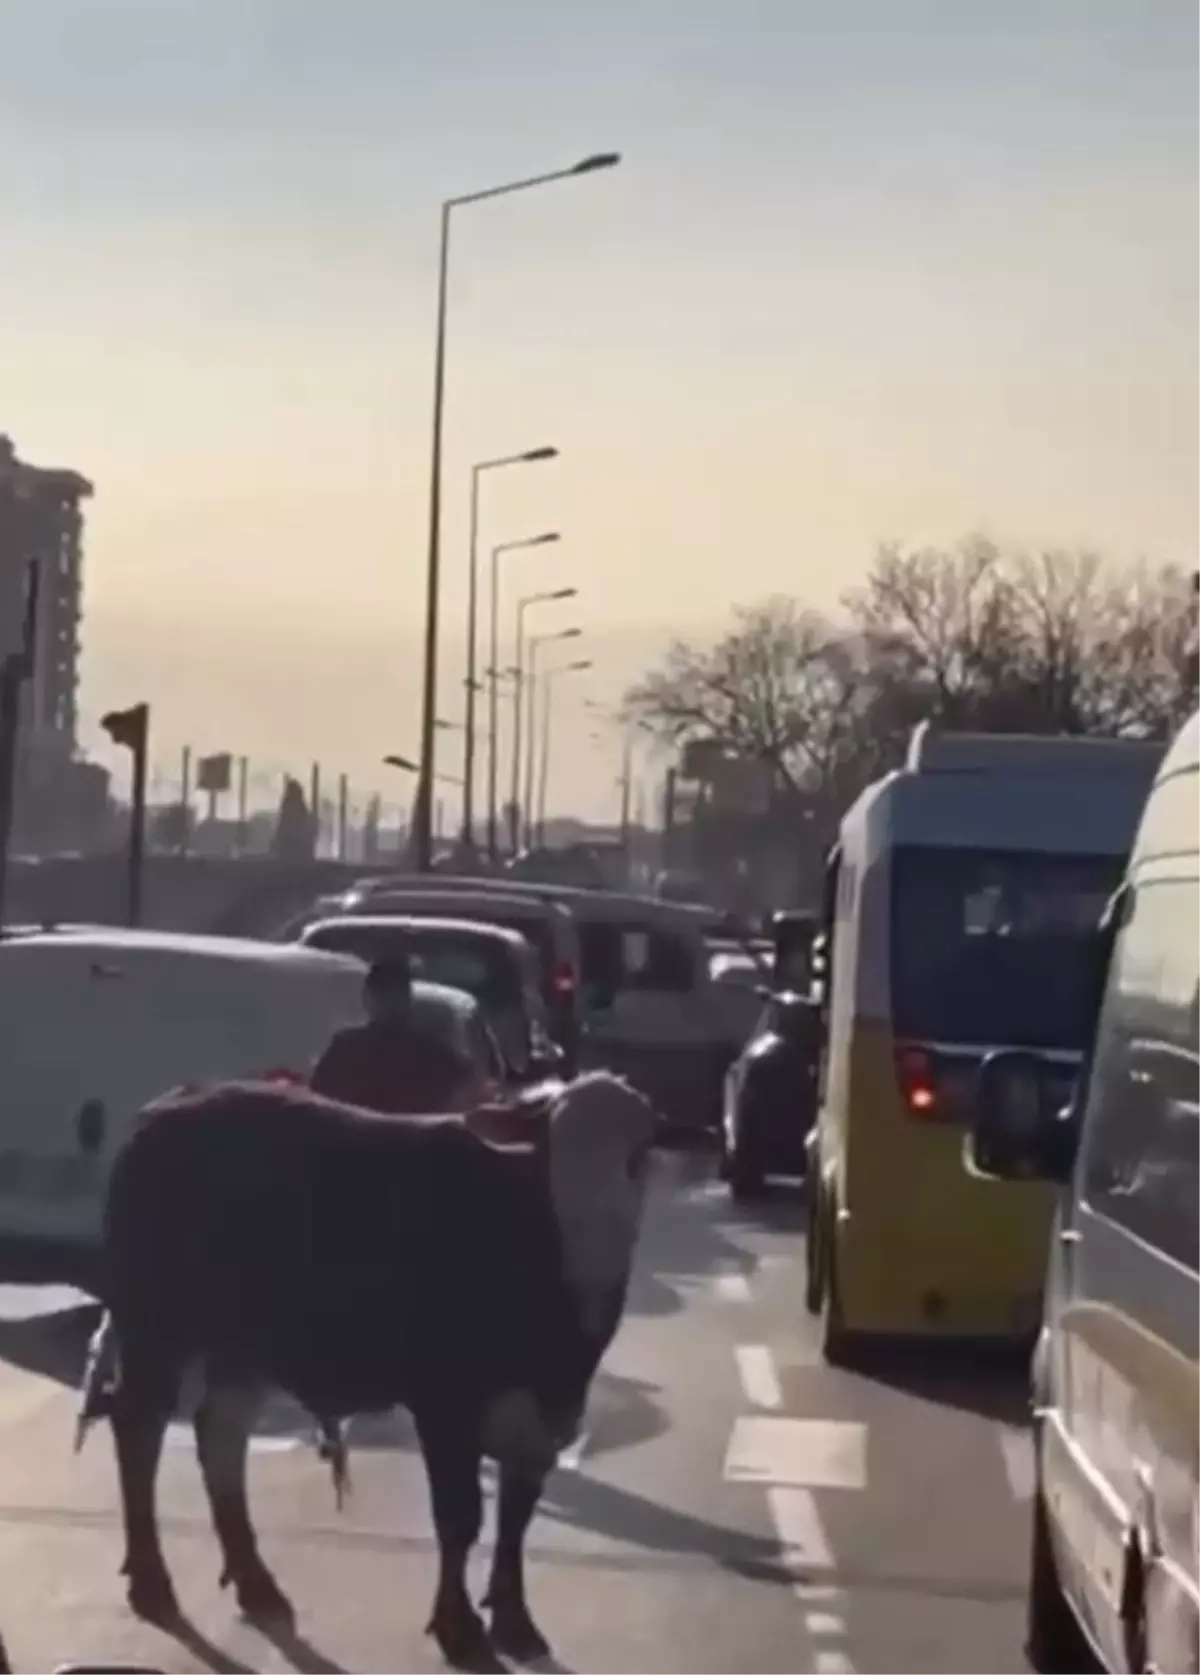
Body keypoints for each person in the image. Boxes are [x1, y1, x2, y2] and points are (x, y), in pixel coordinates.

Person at [310, 955, 491, 1114]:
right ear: (408, 1000)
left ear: (368, 999)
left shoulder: (344, 1049)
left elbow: (318, 1102)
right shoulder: (437, 1056)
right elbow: (472, 1099)